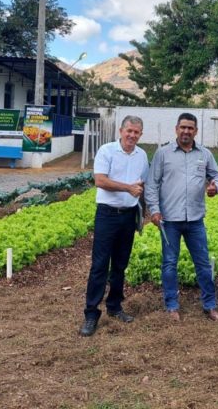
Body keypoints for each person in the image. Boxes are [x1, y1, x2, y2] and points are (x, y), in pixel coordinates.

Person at [145, 112, 218, 322]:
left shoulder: (204, 154)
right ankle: (172, 306)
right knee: (170, 263)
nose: (186, 131)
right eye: (183, 127)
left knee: (203, 264)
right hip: (169, 220)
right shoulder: (163, 154)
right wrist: (153, 209)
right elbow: (152, 184)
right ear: (176, 129)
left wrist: (217, 187)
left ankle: (210, 305)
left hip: (195, 220)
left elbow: (216, 176)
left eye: (190, 128)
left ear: (196, 131)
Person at [79, 116, 149, 337]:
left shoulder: (142, 155)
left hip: (128, 216)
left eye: (136, 132)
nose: (132, 135)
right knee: (99, 265)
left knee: (120, 264)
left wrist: (144, 211)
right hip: (107, 215)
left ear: (140, 134)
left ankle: (115, 306)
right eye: (129, 131)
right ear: (121, 131)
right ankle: (91, 313)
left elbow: (142, 185)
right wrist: (127, 188)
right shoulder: (107, 151)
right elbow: (100, 180)